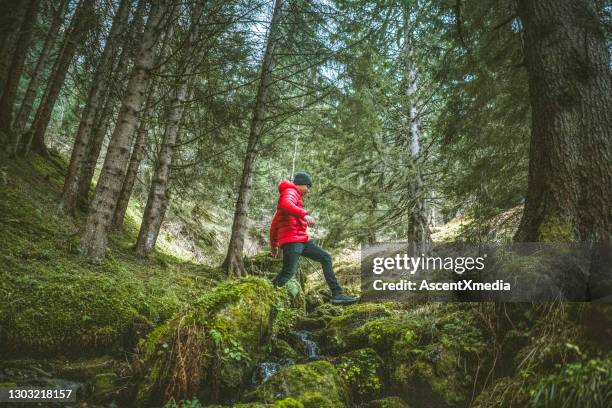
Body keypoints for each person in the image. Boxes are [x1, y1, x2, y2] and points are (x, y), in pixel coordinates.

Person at [269, 171, 357, 305]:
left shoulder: (293, 194)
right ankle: (265, 293)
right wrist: (304, 214)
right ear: (301, 184)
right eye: (308, 186)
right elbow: (287, 204)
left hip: (301, 240)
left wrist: (274, 244)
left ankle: (337, 294)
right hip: (292, 241)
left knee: (325, 257)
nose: (308, 190)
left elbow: (274, 223)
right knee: (288, 273)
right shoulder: (289, 192)